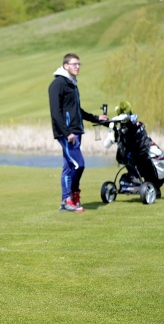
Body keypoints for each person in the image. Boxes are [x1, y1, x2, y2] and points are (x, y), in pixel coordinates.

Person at [49, 53, 108, 213]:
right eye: (74, 64)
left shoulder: (72, 84)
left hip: (76, 131)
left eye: (79, 64)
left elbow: (77, 111)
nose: (77, 67)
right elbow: (56, 113)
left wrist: (96, 118)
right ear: (66, 65)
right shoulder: (58, 84)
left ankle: (68, 201)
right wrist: (67, 132)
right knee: (78, 164)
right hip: (67, 133)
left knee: (69, 167)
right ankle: (70, 197)